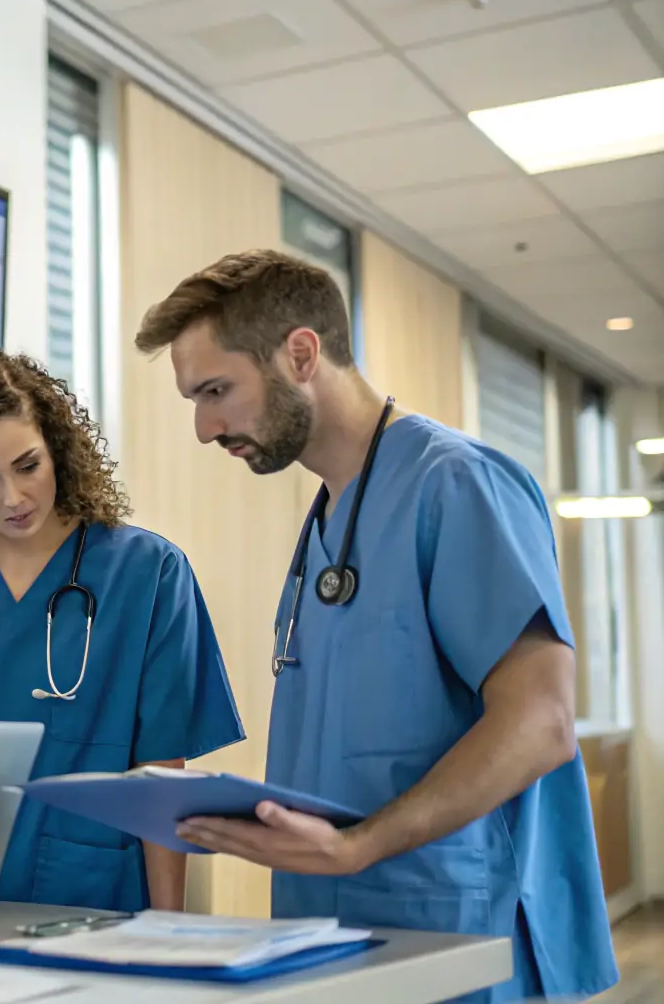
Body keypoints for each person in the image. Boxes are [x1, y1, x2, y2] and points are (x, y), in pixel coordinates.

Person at [132, 248, 617, 1002]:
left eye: (215, 391)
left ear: (300, 353)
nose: (204, 427)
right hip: (331, 938)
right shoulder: (331, 514)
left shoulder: (454, 485)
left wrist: (358, 846)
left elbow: (540, 721)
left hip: (454, 930)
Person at [0, 349, 244, 914]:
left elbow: (160, 773)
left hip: (94, 900)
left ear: (55, 446)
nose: (12, 498)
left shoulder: (148, 573)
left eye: (28, 465)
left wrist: (167, 929)